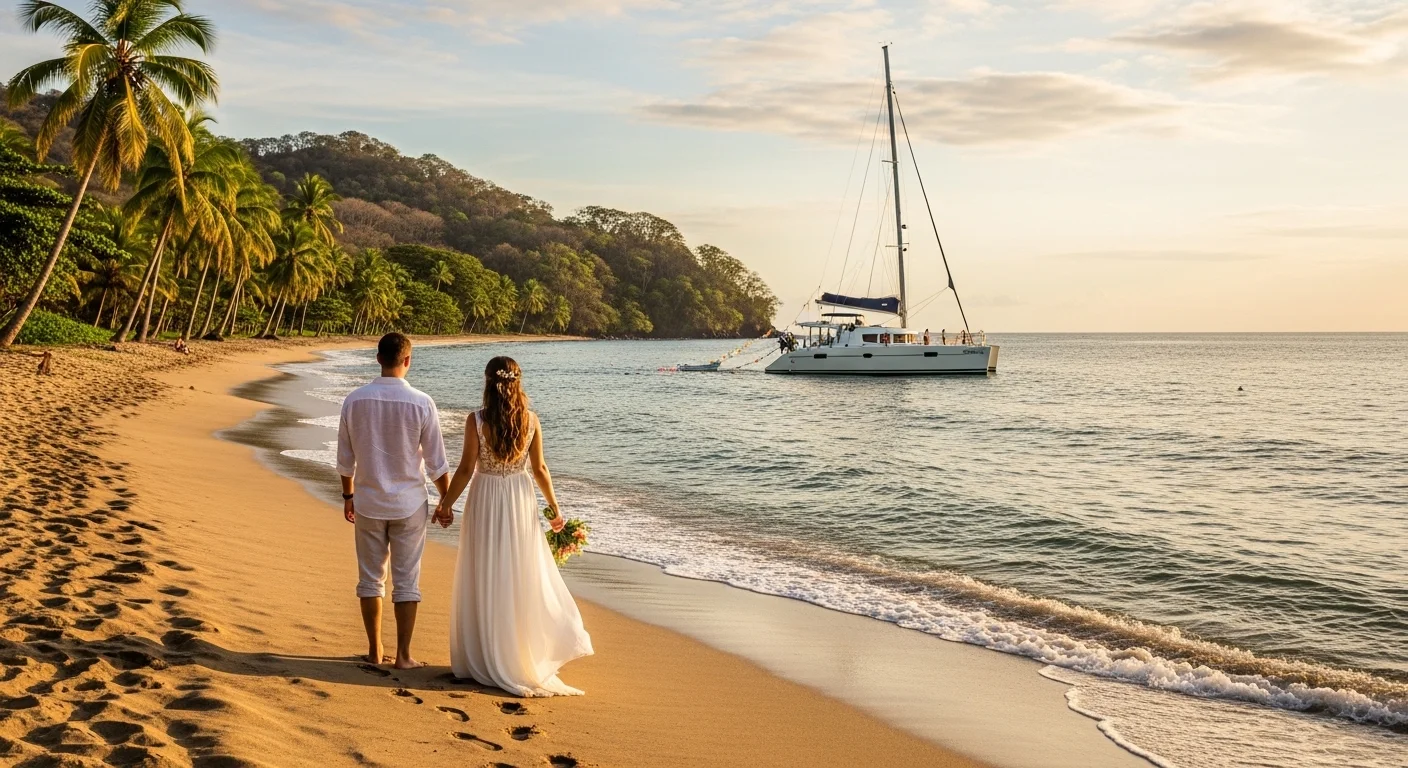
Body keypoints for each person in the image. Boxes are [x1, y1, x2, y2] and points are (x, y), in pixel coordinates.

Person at [437, 356, 593, 696]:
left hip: (486, 495)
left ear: (487, 382)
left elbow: (465, 469)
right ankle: (517, 654)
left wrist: (446, 504)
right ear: (517, 382)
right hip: (519, 499)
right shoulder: (531, 420)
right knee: (519, 571)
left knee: (486, 570)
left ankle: (484, 655)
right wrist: (554, 510)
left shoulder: (476, 420)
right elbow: (539, 469)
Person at [336, 333, 451, 669]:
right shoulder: (422, 402)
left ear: (377, 359)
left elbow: (345, 460)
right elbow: (436, 463)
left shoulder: (354, 400)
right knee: (406, 580)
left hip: (368, 500)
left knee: (371, 578)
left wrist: (348, 496)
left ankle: (374, 651)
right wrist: (446, 501)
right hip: (410, 504)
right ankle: (403, 656)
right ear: (408, 360)